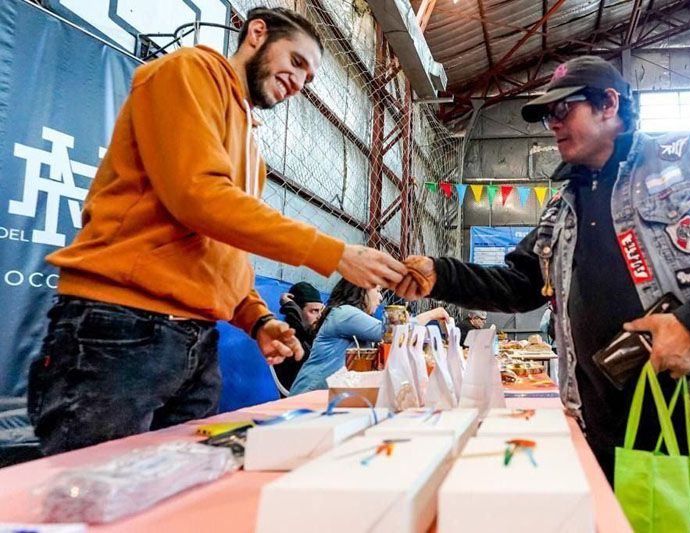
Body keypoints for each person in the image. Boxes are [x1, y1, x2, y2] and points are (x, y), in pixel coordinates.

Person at [396, 56, 690, 532]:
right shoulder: (562, 207)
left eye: (564, 109)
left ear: (609, 104)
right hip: (611, 430)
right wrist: (439, 274)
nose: (553, 124)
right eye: (547, 116)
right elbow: (521, 285)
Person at [26, 7, 407, 455]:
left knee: (173, 493)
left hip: (193, 339)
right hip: (119, 326)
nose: (300, 82)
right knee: (87, 500)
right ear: (257, 33)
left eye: (309, 78)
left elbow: (223, 241)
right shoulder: (189, 71)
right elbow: (197, 196)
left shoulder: (250, 147)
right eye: (296, 61)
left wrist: (256, 317)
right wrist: (333, 252)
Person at [290, 279, 449, 395]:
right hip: (311, 394)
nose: (380, 298)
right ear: (361, 289)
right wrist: (433, 314)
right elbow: (390, 333)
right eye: (378, 291)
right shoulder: (344, 313)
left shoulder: (350, 317)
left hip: (333, 395)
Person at [273, 282, 325, 392]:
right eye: (314, 311)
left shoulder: (312, 337)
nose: (319, 317)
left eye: (321, 311)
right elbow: (300, 354)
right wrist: (291, 309)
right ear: (298, 311)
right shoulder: (285, 338)